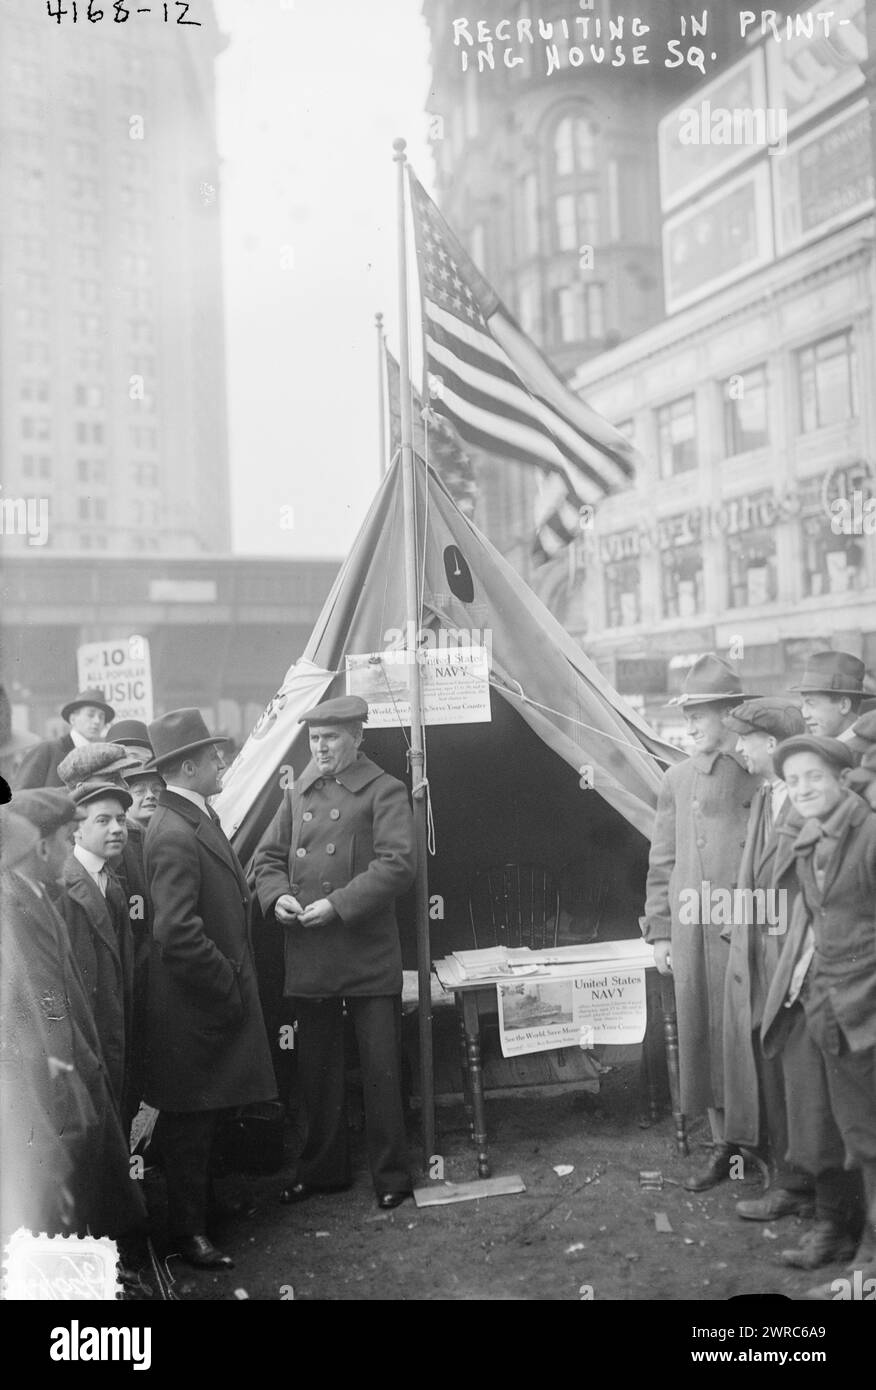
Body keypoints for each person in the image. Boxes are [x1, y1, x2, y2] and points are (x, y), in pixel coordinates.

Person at [254, 695, 417, 1210]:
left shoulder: (385, 790)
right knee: (318, 1070)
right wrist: (276, 895)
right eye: (314, 739)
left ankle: (391, 1176)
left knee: (380, 1070)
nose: (320, 748)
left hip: (365, 952)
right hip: (311, 953)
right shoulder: (297, 791)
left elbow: (397, 865)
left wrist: (337, 906)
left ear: (357, 738)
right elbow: (266, 857)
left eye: (330, 738)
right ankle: (324, 1171)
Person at [143, 708, 276, 1271]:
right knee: (192, 1123)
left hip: (202, 1003)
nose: (224, 761)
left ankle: (200, 1215)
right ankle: (189, 1234)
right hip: (196, 1005)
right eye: (215, 754)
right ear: (190, 765)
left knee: (205, 1114)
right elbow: (175, 931)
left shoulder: (191, 815)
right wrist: (226, 981)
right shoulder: (175, 831)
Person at [4, 790, 147, 1251]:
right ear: (41, 847)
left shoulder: (39, 896)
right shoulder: (13, 909)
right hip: (42, 1095)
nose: (72, 851)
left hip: (70, 1079)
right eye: (68, 839)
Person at [640, 654, 761, 1191]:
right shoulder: (677, 779)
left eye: (702, 714)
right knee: (703, 1034)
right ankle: (722, 1146)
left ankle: (767, 1148)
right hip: (694, 931)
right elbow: (661, 859)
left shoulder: (759, 772)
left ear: (732, 714)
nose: (689, 725)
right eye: (686, 714)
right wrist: (661, 930)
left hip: (753, 926)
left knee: (753, 1034)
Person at [762, 735, 875, 1292]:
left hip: (869, 1007)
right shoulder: (811, 839)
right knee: (849, 1127)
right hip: (828, 1004)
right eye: (794, 780)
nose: (804, 789)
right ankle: (837, 1231)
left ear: (841, 778)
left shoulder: (870, 834)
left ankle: (873, 1253)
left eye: (815, 777)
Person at [720, 697, 815, 1221]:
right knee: (771, 1063)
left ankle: (808, 1187)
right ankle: (788, 1178)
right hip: (762, 957)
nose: (738, 748)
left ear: (774, 745)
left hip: (797, 961)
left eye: (746, 740)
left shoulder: (806, 801)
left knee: (803, 1077)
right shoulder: (765, 798)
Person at [60, 780, 135, 1121]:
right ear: (76, 830)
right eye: (103, 821)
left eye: (121, 819)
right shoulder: (64, 887)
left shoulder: (111, 881)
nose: (118, 828)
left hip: (109, 1039)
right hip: (80, 1047)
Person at [14, 688, 115, 790]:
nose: (97, 721)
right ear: (73, 719)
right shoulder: (47, 750)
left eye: (101, 717)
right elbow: (21, 797)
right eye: (90, 715)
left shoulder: (102, 758)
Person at [789, 651, 865, 744]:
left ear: (844, 705)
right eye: (803, 704)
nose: (804, 715)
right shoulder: (816, 747)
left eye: (811, 703)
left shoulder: (869, 753)